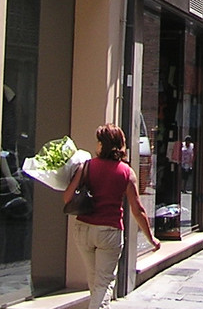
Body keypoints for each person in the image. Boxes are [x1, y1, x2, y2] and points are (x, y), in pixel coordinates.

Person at [64, 124, 160, 309]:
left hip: (83, 229)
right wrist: (151, 238)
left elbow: (67, 197)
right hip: (109, 232)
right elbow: (137, 210)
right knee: (103, 283)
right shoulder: (126, 172)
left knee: (95, 281)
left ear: (102, 144)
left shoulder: (86, 166)